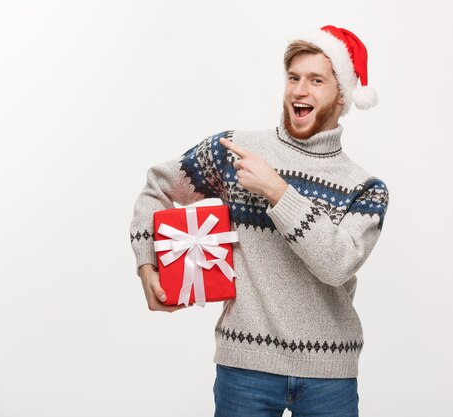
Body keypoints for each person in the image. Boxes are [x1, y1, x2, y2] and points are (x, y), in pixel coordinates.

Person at [129, 25, 389, 417]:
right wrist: (147, 262)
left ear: (342, 95)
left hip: (329, 376)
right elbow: (157, 188)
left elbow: (337, 265)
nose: (299, 91)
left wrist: (277, 192)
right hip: (244, 368)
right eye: (293, 78)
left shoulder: (366, 188)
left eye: (316, 80)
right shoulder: (236, 151)